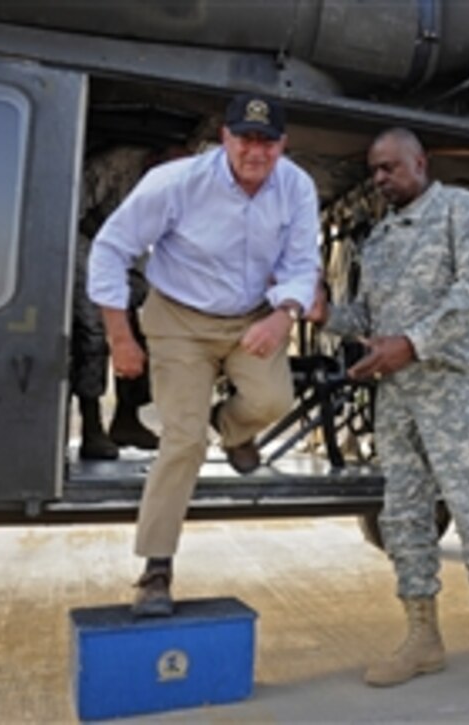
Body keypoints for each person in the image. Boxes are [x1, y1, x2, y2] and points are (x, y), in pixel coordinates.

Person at [311, 127, 469, 705]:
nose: (381, 178)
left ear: (420, 162)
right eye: (375, 170)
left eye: (390, 167)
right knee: (405, 516)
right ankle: (422, 637)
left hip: (458, 389)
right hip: (398, 394)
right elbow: (368, 313)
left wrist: (409, 344)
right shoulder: (380, 239)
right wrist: (327, 313)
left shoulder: (465, 211)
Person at [88, 93, 320, 616]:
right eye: (245, 138)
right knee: (183, 442)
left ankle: (230, 425)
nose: (254, 151)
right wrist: (120, 338)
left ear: (282, 144)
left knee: (271, 401)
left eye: (266, 140)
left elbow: (304, 263)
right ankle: (156, 567)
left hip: (252, 315)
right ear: (225, 138)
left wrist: (283, 314)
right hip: (178, 318)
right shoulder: (176, 182)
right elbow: (110, 248)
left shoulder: (297, 187)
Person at [71, 146, 166, 460]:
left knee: (150, 322)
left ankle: (128, 417)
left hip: (131, 253)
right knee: (94, 334)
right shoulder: (116, 165)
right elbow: (70, 207)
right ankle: (91, 427)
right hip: (87, 245)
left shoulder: (178, 186)